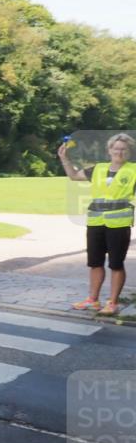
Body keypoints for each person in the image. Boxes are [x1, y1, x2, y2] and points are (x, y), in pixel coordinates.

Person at [59, 132, 135, 316]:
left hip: (119, 224)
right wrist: (64, 158)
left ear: (129, 152)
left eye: (123, 149)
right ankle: (92, 300)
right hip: (95, 222)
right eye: (116, 148)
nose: (119, 151)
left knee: (116, 264)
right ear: (109, 150)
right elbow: (74, 176)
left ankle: (113, 302)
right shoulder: (98, 169)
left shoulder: (133, 170)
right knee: (95, 263)